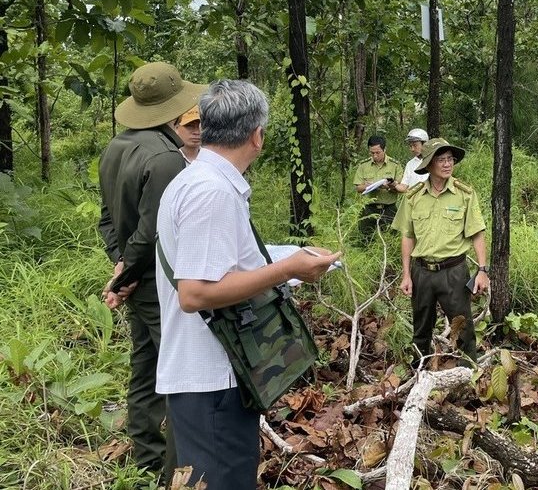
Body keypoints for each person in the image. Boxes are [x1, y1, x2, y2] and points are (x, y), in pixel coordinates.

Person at [155, 79, 341, 489]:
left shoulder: (199, 181)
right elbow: (196, 293)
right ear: (257, 135)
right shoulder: (211, 192)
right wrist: (286, 268)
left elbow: (223, 260)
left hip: (218, 375)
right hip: (211, 378)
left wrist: (290, 255)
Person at [97, 61, 205, 477]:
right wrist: (127, 275)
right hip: (157, 283)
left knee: (145, 367)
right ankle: (176, 472)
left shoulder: (116, 147)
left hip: (137, 278)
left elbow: (107, 219)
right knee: (179, 374)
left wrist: (120, 267)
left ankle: (145, 460)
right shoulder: (166, 159)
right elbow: (152, 232)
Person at [393, 138, 489, 368]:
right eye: (441, 159)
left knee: (464, 330)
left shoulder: (464, 194)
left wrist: (482, 270)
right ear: (428, 164)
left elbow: (477, 234)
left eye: (450, 159)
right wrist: (406, 274)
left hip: (454, 272)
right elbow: (407, 236)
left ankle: (468, 377)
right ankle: (417, 375)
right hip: (422, 272)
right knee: (421, 330)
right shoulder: (414, 196)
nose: (447, 164)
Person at [353, 135, 404, 240]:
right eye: (372, 153)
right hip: (369, 209)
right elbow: (358, 188)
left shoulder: (395, 165)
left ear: (384, 149)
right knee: (366, 239)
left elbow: (401, 188)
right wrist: (368, 186)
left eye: (378, 152)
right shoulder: (363, 165)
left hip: (389, 208)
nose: (375, 156)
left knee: (390, 238)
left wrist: (390, 186)